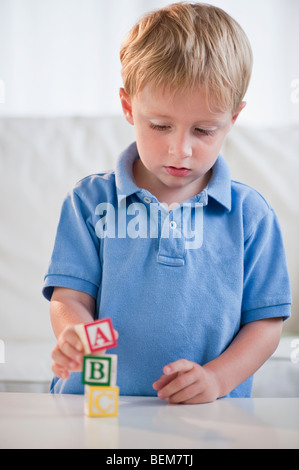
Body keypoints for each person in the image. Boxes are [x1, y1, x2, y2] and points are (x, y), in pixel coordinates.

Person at [43, 2, 292, 404]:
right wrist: (74, 332)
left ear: (233, 118)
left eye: (204, 130)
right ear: (128, 108)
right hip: (93, 403)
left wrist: (216, 379)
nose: (180, 150)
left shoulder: (251, 216)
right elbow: (69, 297)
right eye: (160, 126)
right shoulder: (89, 203)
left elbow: (265, 323)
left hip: (207, 419)